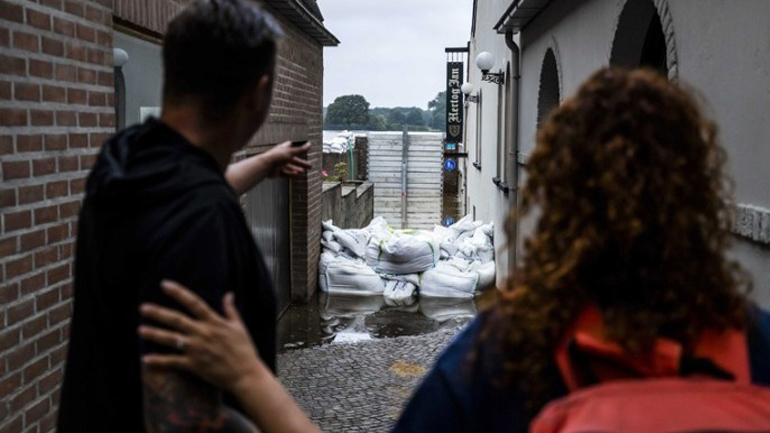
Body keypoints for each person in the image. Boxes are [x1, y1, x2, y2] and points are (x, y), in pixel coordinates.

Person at [136, 68, 770, 432]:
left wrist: (247, 376)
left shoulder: (506, 355)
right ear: (699, 194)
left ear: (559, 192)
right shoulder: (754, 344)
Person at [56, 1, 312, 432]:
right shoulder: (200, 219)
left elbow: (189, 193)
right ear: (257, 93)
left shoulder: (124, 157)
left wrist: (264, 163)